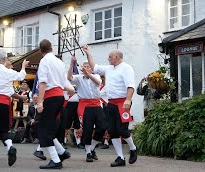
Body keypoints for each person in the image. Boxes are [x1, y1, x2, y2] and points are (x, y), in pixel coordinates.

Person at [83, 45, 138, 167]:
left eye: (110, 57)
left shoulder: (126, 68)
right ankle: (120, 158)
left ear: (116, 57)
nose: (108, 59)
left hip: (123, 102)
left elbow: (131, 85)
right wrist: (88, 53)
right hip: (111, 103)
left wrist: (128, 100)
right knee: (112, 130)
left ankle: (133, 149)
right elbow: (94, 67)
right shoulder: (108, 68)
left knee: (122, 130)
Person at [36, 39, 74, 169]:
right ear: (51, 48)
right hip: (59, 97)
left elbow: (43, 82)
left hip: (50, 97)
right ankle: (62, 152)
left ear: (41, 51)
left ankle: (56, 160)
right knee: (49, 128)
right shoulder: (59, 62)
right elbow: (66, 84)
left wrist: (40, 101)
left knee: (43, 129)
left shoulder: (44, 61)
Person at [68, 57, 105, 162]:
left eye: (88, 66)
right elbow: (69, 77)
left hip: (96, 104)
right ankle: (88, 152)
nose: (85, 68)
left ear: (91, 68)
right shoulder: (79, 78)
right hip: (84, 105)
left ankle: (92, 147)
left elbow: (98, 83)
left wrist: (88, 74)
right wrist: (71, 64)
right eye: (84, 66)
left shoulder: (96, 75)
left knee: (103, 127)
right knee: (87, 128)